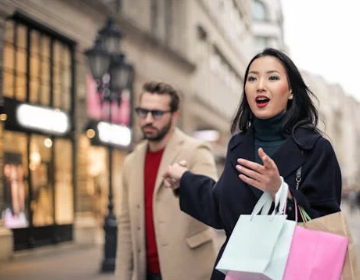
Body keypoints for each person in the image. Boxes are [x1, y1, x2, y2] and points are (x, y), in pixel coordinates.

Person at [163, 48, 342, 280]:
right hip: (236, 271)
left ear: (290, 92)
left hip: (292, 272)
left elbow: (326, 225)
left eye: (273, 77)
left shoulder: (316, 148)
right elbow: (221, 209)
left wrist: (281, 191)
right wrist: (184, 180)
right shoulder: (238, 144)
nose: (260, 85)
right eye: (252, 78)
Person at [117, 81, 220, 280]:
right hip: (146, 273)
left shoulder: (196, 151)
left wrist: (186, 184)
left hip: (190, 270)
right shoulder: (131, 161)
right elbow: (126, 224)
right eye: (142, 112)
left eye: (156, 113)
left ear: (174, 116)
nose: (147, 119)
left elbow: (212, 204)